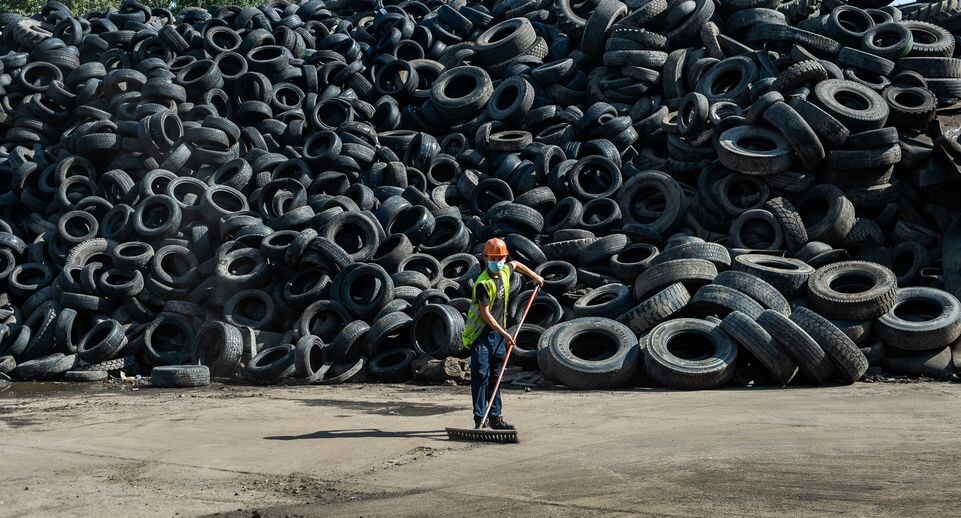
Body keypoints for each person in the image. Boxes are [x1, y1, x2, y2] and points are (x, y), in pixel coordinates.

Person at [460, 237, 544, 430]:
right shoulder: (483, 284)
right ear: (485, 258)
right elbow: (485, 313)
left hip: (498, 336)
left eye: (500, 258)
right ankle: (479, 418)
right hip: (481, 335)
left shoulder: (505, 271)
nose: (497, 262)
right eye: (492, 258)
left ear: (505, 258)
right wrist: (505, 334)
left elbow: (516, 264)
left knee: (496, 376)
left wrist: (534, 277)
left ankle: (495, 417)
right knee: (481, 375)